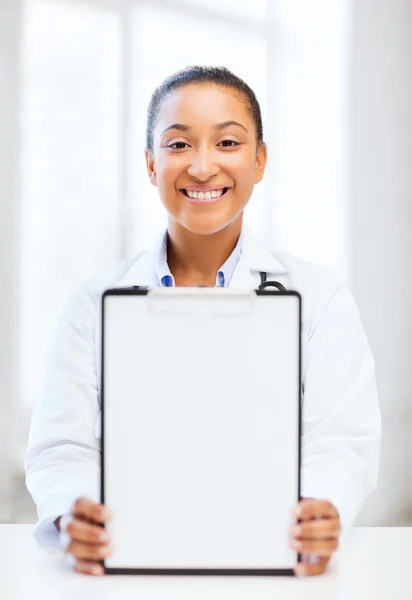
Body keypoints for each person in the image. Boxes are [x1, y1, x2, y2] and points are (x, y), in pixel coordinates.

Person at [26, 66, 381, 577]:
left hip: (275, 560)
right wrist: (72, 514)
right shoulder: (92, 303)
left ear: (259, 161)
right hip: (127, 562)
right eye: (178, 145)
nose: (202, 166)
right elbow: (62, 446)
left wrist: (324, 508)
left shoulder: (320, 297)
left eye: (228, 142)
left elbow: (342, 442)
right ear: (150, 165)